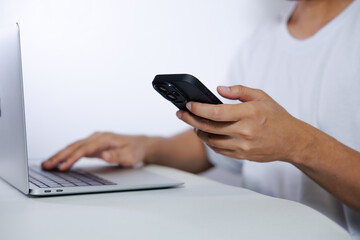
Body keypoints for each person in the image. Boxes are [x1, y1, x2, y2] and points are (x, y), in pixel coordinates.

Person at [42, 0, 360, 238]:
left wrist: (299, 144)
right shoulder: (262, 41)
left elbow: (280, 140)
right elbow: (225, 145)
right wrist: (145, 147)